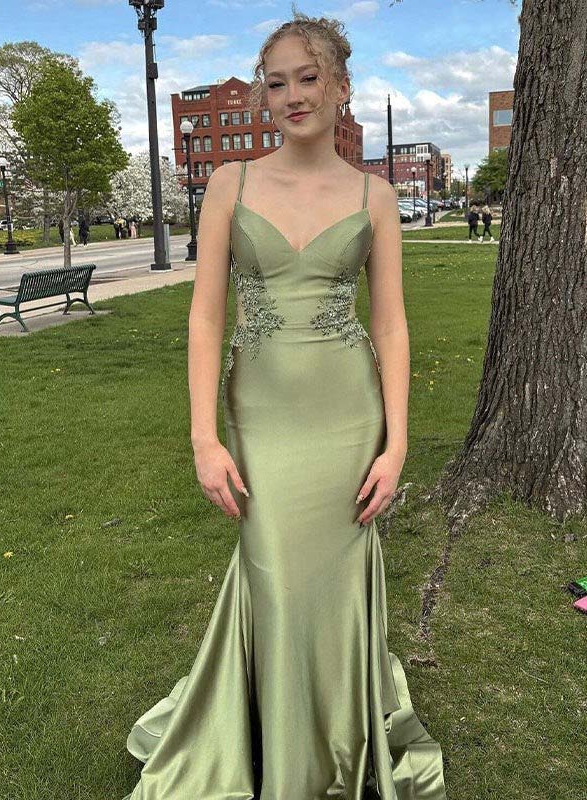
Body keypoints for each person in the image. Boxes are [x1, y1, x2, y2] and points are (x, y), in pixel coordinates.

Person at [121, 11, 447, 800]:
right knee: (272, 572)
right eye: (277, 82)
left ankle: (330, 743)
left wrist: (396, 445)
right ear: (264, 95)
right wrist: (204, 437)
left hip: (347, 413)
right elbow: (204, 316)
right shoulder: (229, 183)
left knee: (331, 581)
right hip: (261, 414)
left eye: (309, 77)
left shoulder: (375, 195)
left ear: (341, 87)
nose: (292, 94)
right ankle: (269, 741)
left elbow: (393, 323)